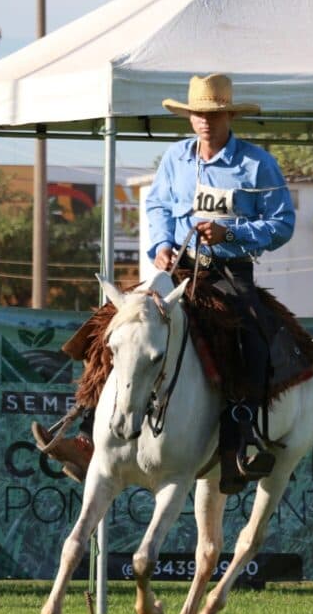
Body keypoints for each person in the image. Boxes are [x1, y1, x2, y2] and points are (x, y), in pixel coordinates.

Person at [34, 73, 296, 494]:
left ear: (228, 114)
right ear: (189, 117)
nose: (205, 121)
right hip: (177, 268)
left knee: (253, 339)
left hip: (228, 273)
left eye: (212, 113)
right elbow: (157, 204)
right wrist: (160, 244)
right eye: (197, 114)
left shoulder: (257, 164)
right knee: (112, 324)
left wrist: (233, 235)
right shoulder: (175, 159)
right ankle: (85, 431)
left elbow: (282, 224)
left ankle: (238, 444)